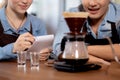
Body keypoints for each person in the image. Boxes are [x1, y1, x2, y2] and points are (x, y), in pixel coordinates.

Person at [53, 0, 120, 65]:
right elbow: (59, 49)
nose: (92, 3)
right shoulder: (71, 14)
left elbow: (67, 51)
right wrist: (99, 60)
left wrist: (79, 49)